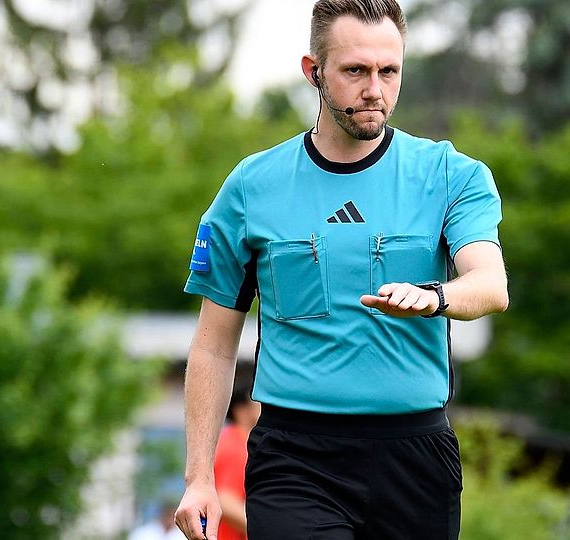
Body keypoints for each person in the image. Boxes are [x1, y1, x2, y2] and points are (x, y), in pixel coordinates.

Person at [174, 1, 508, 539]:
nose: (375, 89)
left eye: (389, 71)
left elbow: (490, 285)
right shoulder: (251, 187)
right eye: (356, 70)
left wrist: (435, 297)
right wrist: (199, 477)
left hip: (416, 460)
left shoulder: (451, 175)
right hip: (294, 458)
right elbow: (213, 345)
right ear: (314, 72)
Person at [212, 382, 260, 540]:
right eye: (258, 402)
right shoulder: (236, 445)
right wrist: (267, 529)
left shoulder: (231, 440)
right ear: (241, 410)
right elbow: (226, 501)